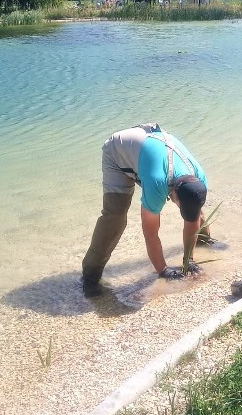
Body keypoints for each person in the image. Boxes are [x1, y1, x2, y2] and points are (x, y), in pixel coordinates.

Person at [81, 123, 214, 295]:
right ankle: (90, 276)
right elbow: (150, 233)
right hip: (117, 153)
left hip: (149, 145)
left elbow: (192, 216)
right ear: (173, 193)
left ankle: (205, 243)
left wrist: (189, 261)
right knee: (115, 216)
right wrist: (163, 270)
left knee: (194, 207)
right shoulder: (157, 183)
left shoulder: (199, 179)